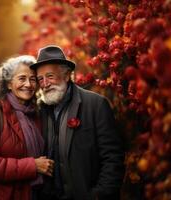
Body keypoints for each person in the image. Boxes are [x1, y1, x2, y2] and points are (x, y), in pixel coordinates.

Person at [30, 45, 125, 200]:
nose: (45, 83)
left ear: (66, 75)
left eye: (50, 76)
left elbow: (113, 158)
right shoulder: (40, 110)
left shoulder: (96, 105)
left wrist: (99, 195)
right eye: (40, 79)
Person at [0, 55, 54, 200]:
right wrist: (33, 166)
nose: (28, 84)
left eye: (33, 79)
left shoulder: (36, 114)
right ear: (8, 84)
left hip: (27, 193)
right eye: (22, 78)